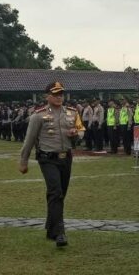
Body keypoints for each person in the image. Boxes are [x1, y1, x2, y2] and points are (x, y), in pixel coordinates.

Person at [19, 81, 85, 248]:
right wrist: (23, 160)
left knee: (59, 193)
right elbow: (29, 139)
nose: (58, 97)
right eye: (55, 94)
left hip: (66, 157)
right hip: (47, 158)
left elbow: (81, 130)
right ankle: (60, 232)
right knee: (56, 192)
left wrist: (76, 134)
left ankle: (50, 228)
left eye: (61, 94)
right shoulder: (38, 115)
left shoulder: (72, 113)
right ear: (47, 96)